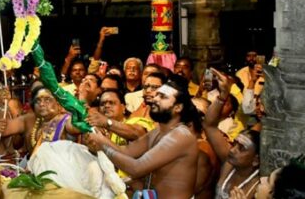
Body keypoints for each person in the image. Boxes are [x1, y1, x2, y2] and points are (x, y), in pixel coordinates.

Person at [86, 75, 200, 199]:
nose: (155, 99)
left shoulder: (181, 135)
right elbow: (127, 152)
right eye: (157, 95)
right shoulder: (158, 131)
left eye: (163, 97)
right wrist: (99, 137)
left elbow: (137, 168)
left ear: (178, 107)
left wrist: (103, 144)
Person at [205, 68, 260, 199]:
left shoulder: (259, 187)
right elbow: (209, 125)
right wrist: (223, 95)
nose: (233, 150)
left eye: (241, 148)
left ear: (255, 160)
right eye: (235, 144)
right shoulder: (229, 163)